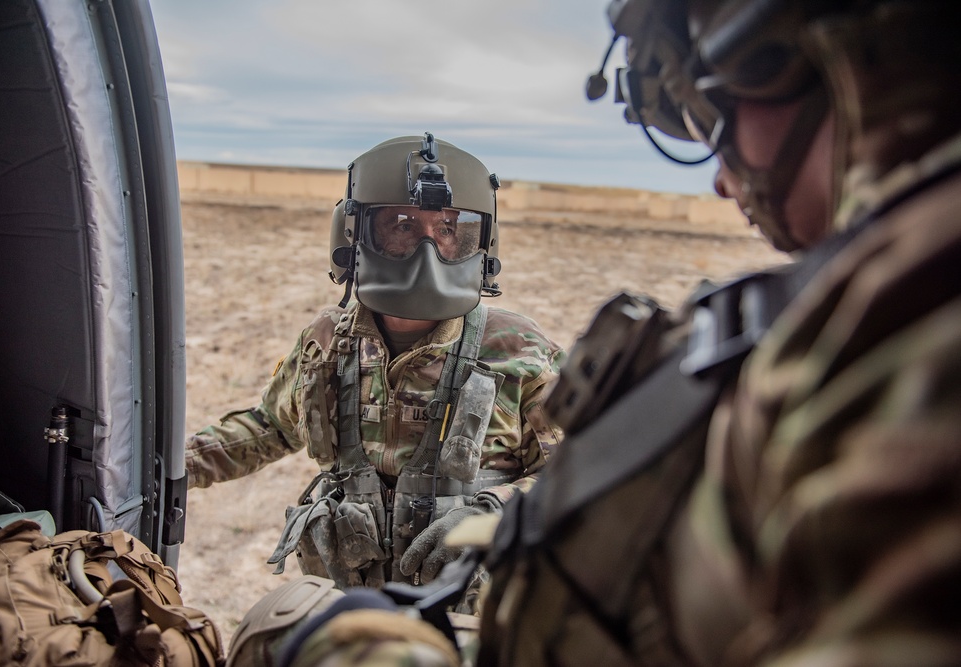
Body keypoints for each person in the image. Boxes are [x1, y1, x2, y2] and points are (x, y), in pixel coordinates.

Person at [233, 1, 961, 665]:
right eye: (398, 228)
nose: (720, 177)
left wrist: (351, 649)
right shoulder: (843, 316)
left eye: (718, 112)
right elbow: (273, 420)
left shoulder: (899, 326)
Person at [185, 133, 564, 595]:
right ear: (356, 234)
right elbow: (272, 427)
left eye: (446, 229)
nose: (429, 248)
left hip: (472, 608)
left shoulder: (517, 349)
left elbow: (579, 470)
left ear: (477, 243)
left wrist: (494, 513)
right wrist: (173, 467)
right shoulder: (327, 342)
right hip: (353, 600)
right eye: (403, 226)